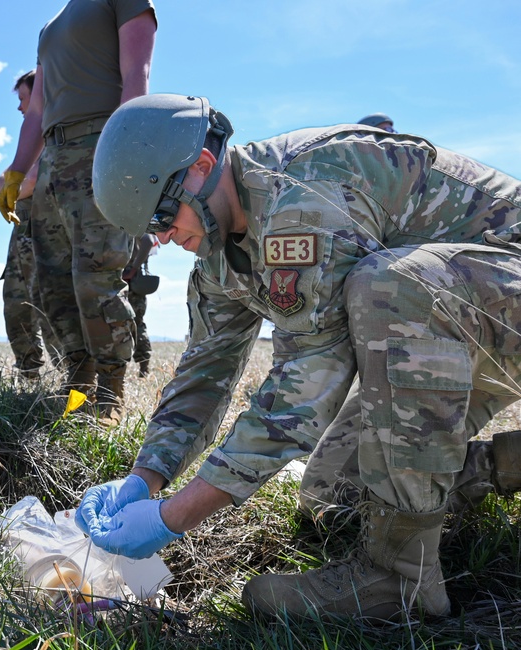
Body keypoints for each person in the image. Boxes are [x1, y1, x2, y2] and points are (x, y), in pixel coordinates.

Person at [78, 93, 521, 622]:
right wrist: (145, 479)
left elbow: (311, 375)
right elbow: (205, 372)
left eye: (165, 215)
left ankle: (399, 578)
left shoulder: (301, 194)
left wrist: (172, 517)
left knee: (393, 286)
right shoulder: (220, 252)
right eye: (152, 230)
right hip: (461, 335)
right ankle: (488, 470)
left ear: (200, 167)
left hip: (493, 306)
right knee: (331, 495)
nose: (166, 237)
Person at [0, 0, 157, 423]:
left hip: (100, 142)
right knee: (50, 282)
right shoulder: (50, 25)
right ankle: (78, 386)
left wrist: (120, 151)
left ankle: (111, 393)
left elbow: (136, 76)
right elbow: (37, 107)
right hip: (54, 156)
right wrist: (18, 171)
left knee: (96, 276)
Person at [0, 70, 60, 379]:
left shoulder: (61, 138)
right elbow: (2, 183)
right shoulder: (32, 145)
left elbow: (27, 182)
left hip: (51, 243)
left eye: (24, 98)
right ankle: (30, 379)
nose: (21, 107)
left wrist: (19, 182)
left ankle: (76, 385)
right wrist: (18, 181)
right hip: (21, 246)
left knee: (54, 314)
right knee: (16, 310)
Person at [122, 233, 158, 377]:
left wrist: (133, 269)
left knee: (136, 324)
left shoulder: (131, 221)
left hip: (129, 282)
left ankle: (144, 368)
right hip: (124, 280)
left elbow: (148, 240)